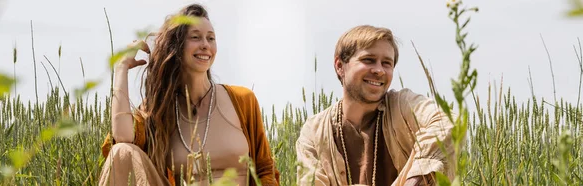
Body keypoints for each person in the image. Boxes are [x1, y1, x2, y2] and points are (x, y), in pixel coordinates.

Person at [98, 4, 280, 186]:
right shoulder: (160, 109)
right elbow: (122, 138)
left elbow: (265, 169)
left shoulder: (242, 100)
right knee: (120, 151)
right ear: (176, 46)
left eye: (211, 38)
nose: (205, 45)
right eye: (195, 37)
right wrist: (121, 69)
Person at [295, 25, 456, 186]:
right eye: (368, 60)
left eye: (387, 63)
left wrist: (415, 179)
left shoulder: (403, 106)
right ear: (339, 66)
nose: (379, 70)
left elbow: (448, 123)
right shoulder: (315, 132)